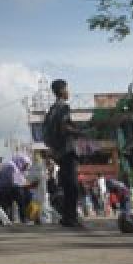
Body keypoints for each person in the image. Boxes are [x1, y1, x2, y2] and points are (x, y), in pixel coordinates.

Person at [43, 79, 82, 226]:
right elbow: (64, 128)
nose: (68, 91)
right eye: (67, 89)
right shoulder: (64, 107)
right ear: (61, 91)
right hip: (67, 149)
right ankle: (71, 218)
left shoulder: (51, 110)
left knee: (66, 185)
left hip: (58, 152)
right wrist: (79, 132)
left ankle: (66, 217)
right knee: (72, 185)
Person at [0, 155, 33, 223]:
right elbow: (13, 181)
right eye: (25, 165)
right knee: (20, 198)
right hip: (3, 190)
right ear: (21, 162)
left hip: (7, 189)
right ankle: (23, 218)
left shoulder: (15, 166)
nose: (25, 168)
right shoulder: (11, 166)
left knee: (23, 195)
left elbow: (21, 180)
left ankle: (22, 218)